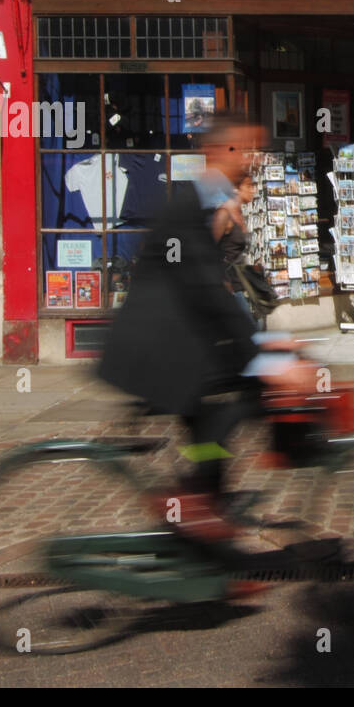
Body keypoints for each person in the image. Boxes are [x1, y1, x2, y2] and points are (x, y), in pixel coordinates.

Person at [98, 114, 319, 546]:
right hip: (158, 353)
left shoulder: (208, 202)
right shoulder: (190, 208)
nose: (252, 159)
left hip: (181, 342)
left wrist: (264, 344)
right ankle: (187, 516)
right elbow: (206, 290)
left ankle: (201, 532)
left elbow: (210, 292)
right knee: (229, 412)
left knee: (215, 435)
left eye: (256, 150)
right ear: (216, 152)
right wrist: (264, 356)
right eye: (244, 149)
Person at [213, 172, 261, 326]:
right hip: (230, 287)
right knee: (254, 329)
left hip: (241, 284)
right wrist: (224, 283)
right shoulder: (224, 214)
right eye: (248, 186)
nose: (253, 190)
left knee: (257, 326)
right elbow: (209, 250)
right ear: (235, 189)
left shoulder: (239, 213)